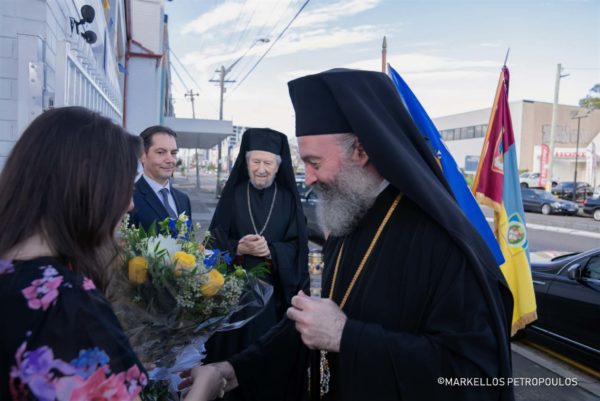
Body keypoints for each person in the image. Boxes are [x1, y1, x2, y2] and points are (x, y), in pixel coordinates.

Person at [196, 69, 514, 401]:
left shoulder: (443, 242)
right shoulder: (351, 215)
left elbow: (475, 378)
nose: (309, 178)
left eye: (315, 162)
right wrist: (232, 371)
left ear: (361, 151)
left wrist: (346, 336)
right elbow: (307, 326)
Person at [0, 107, 218, 401]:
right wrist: (205, 386)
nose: (129, 204)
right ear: (87, 181)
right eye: (123, 186)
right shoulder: (68, 304)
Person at [205, 129, 308, 383]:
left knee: (266, 367)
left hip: (272, 300)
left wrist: (271, 251)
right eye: (256, 162)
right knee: (228, 358)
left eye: (268, 163)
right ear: (247, 162)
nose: (261, 169)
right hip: (232, 298)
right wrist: (237, 249)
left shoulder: (288, 200)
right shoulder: (234, 194)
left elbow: (298, 247)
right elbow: (213, 240)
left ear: (278, 166)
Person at [129, 125, 192, 232]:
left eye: (173, 153)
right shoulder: (128, 200)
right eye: (161, 152)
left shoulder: (183, 199)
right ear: (142, 155)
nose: (170, 160)